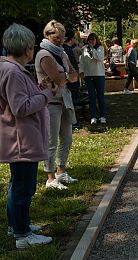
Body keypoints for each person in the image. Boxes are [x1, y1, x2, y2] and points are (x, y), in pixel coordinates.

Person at [0, 23, 54, 248]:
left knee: (18, 185)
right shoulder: (12, 71)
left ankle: (18, 225)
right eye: (31, 46)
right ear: (26, 48)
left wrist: (37, 90)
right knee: (23, 188)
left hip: (19, 138)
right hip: (21, 140)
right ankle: (22, 235)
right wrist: (46, 95)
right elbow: (20, 107)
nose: (33, 50)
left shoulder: (11, 69)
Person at [35, 20, 78, 190]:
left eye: (62, 37)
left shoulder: (62, 53)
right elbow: (60, 78)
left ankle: (61, 171)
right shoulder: (44, 54)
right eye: (57, 37)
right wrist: (66, 75)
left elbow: (74, 76)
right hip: (50, 102)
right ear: (47, 35)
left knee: (67, 138)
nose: (60, 40)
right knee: (51, 141)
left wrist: (65, 75)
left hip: (64, 99)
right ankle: (50, 177)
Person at [79, 33, 107, 125]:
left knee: (100, 96)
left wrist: (92, 49)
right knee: (91, 96)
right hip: (89, 75)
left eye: (93, 40)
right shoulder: (84, 49)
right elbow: (82, 61)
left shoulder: (100, 48)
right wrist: (81, 72)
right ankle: (93, 116)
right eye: (89, 40)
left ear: (96, 40)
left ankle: (102, 116)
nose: (91, 42)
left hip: (99, 74)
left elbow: (99, 58)